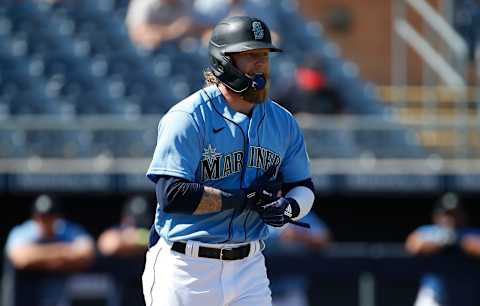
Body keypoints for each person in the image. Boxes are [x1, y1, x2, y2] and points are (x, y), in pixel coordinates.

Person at [143, 15, 315, 306]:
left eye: (264, 55)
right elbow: (171, 194)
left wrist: (288, 208)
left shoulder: (283, 122)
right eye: (250, 55)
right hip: (186, 265)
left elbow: (304, 186)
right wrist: (244, 200)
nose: (261, 63)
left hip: (249, 265)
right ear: (224, 61)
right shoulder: (187, 118)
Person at [2, 194, 95, 306]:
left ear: (58, 217)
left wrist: (39, 258)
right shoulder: (23, 232)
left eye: (49, 217)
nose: (45, 221)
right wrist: (63, 253)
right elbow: (20, 258)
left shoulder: (69, 230)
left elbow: (87, 253)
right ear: (34, 217)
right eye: (41, 217)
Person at [405, 192, 480, 306]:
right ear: (437, 216)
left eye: (455, 214)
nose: (451, 218)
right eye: (447, 214)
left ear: (463, 215)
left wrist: (459, 240)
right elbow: (412, 245)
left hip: (466, 291)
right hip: (435, 291)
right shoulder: (430, 231)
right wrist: (442, 240)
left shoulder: (470, 233)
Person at [265, 211, 331, 306]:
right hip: (260, 289)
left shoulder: (299, 208)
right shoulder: (256, 210)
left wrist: (298, 235)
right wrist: (278, 237)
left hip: (292, 290)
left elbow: (322, 239)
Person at [97, 195, 152, 306]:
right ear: (125, 218)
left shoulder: (153, 232)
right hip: (121, 293)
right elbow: (107, 245)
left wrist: (145, 239)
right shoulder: (119, 231)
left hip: (146, 293)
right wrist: (138, 240)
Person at [126, 0, 205, 51]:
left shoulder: (187, 2)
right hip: (150, 55)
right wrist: (173, 31)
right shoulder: (143, 3)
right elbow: (138, 35)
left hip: (179, 49)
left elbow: (191, 27)